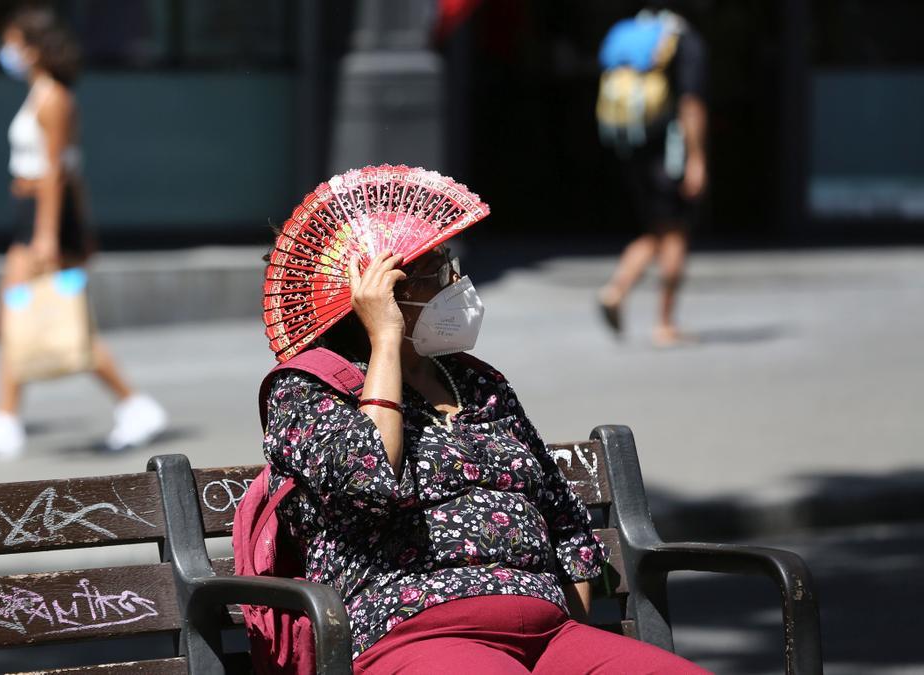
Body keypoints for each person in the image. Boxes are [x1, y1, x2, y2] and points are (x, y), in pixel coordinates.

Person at [262, 246, 710, 672]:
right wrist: (384, 339)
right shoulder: (307, 388)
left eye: (451, 264)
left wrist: (564, 627)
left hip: (549, 632)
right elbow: (372, 479)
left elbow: (562, 515)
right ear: (382, 291)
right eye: (438, 272)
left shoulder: (476, 382)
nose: (457, 282)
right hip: (416, 632)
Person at [0, 8, 165, 461]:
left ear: (33, 47)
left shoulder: (53, 99)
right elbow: (69, 172)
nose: (6, 52)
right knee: (26, 318)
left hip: (43, 218)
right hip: (36, 215)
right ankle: (10, 419)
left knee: (36, 319)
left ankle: (126, 405)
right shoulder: (41, 95)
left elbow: (56, 173)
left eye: (12, 42)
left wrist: (48, 235)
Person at [596, 4, 708, 347]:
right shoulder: (685, 40)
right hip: (669, 153)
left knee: (657, 231)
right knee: (674, 234)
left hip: (635, 150)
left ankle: (617, 290)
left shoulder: (637, 34)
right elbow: (691, 103)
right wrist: (697, 158)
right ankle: (664, 322)